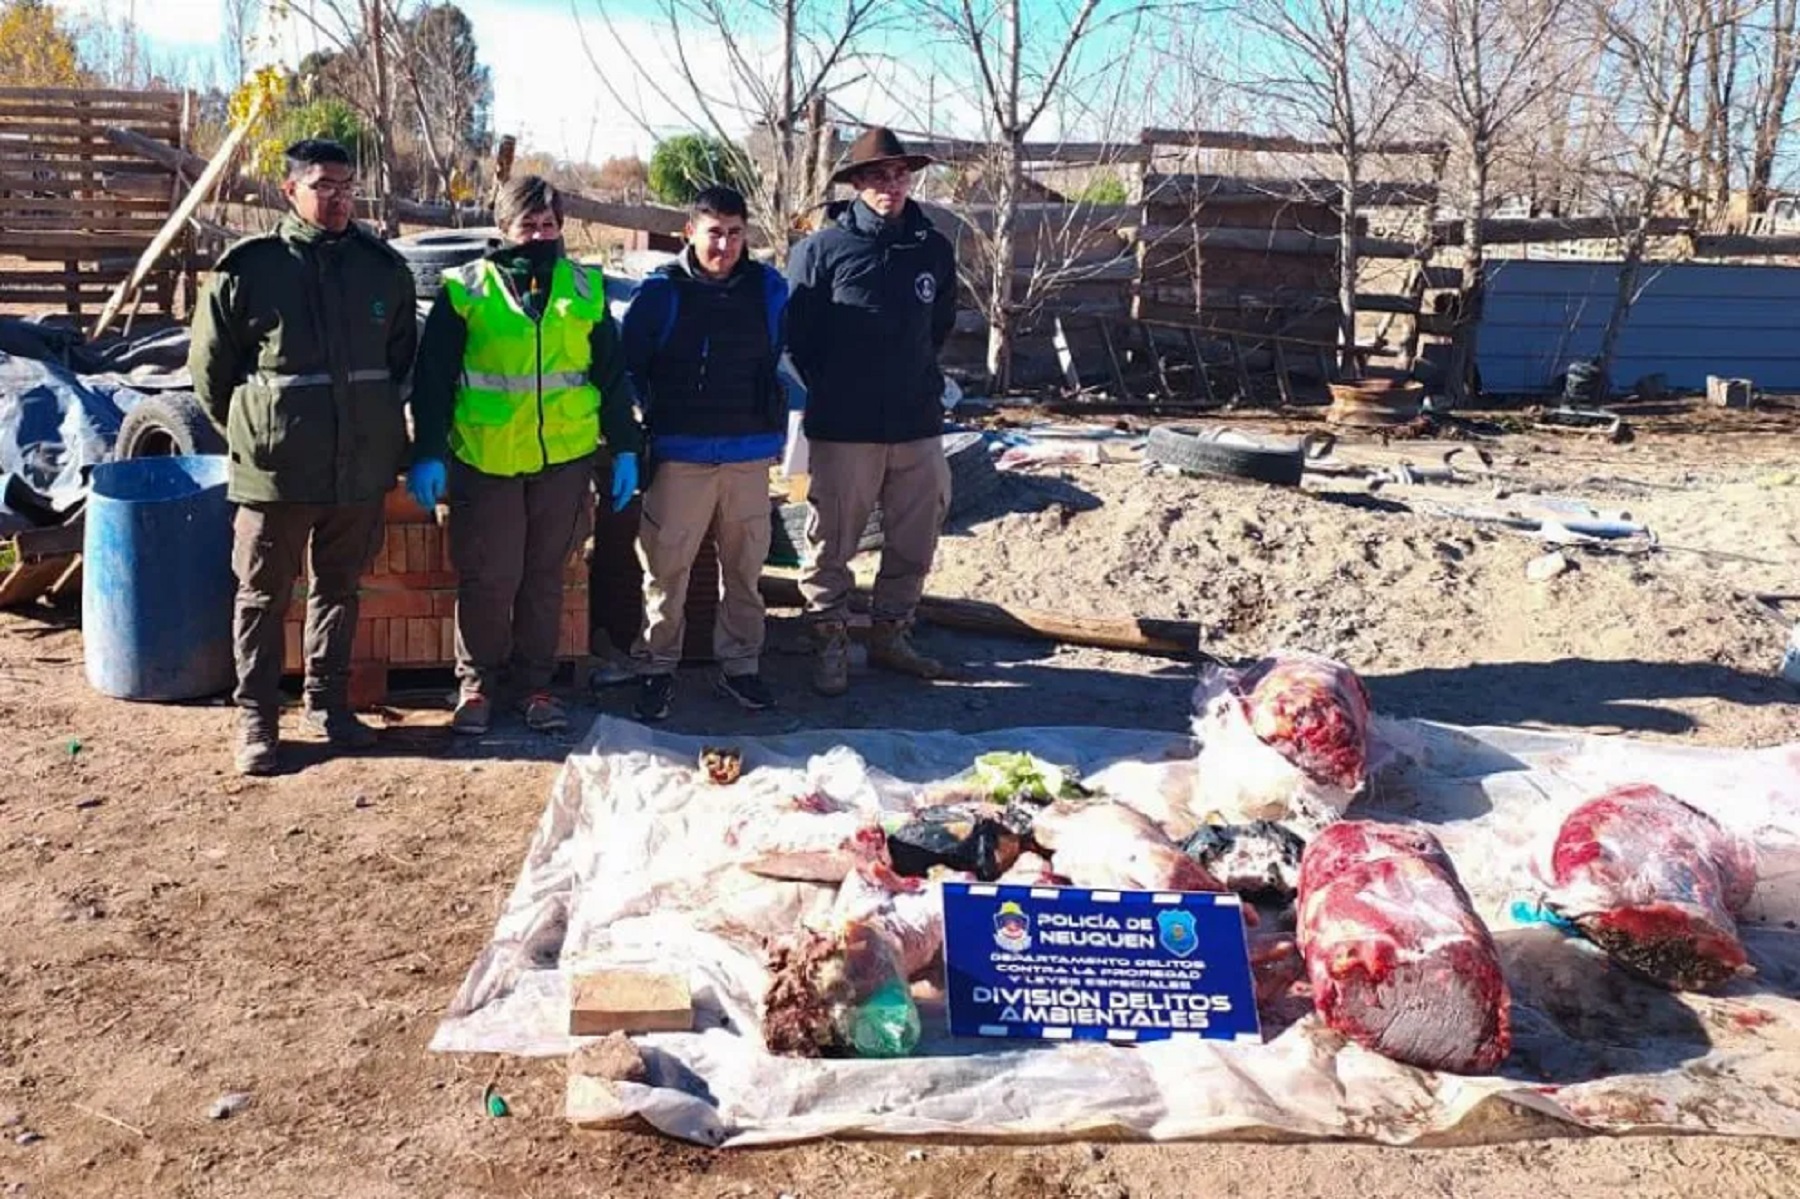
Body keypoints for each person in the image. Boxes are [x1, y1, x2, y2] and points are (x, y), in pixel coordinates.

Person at [190, 138, 417, 777]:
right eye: (323, 186)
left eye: (346, 186)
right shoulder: (249, 270)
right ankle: (257, 719)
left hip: (358, 470)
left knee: (339, 589)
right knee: (262, 596)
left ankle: (328, 705)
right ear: (290, 190)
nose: (338, 198)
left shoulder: (382, 269)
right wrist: (259, 435)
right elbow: (210, 376)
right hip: (277, 473)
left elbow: (400, 363)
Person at [407, 175, 642, 736]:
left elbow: (611, 378)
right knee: (490, 578)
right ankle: (478, 684)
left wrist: (625, 447)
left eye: (548, 224)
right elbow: (433, 380)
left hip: (563, 461)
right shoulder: (466, 290)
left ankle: (536, 686)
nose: (539, 235)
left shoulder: (584, 289)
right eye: (527, 225)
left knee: (543, 578)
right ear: (503, 227)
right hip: (486, 460)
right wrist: (428, 451)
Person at [785, 127, 957, 696]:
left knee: (916, 537)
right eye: (879, 176)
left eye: (900, 174)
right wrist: (840, 389)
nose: (892, 185)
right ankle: (829, 639)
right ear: (857, 183)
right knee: (833, 541)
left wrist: (912, 382)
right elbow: (799, 341)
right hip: (845, 428)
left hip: (916, 423)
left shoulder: (932, 248)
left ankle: (891, 634)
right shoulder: (822, 250)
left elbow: (938, 327)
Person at [620, 186, 789, 723]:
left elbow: (779, 356)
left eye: (735, 233)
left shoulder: (769, 289)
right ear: (689, 232)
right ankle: (656, 668)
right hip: (681, 456)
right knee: (665, 571)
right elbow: (630, 367)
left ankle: (741, 666)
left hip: (748, 456)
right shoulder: (660, 293)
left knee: (744, 569)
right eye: (714, 233)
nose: (725, 245)